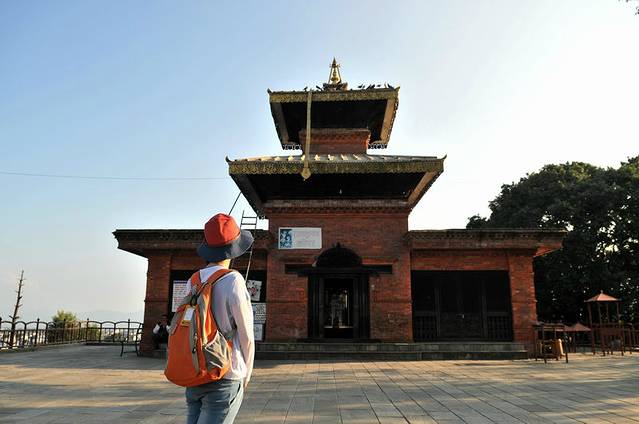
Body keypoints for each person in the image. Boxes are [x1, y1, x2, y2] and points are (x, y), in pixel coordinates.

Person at [184, 213, 255, 424]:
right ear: (234, 248)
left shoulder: (193, 280)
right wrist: (247, 372)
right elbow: (246, 335)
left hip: (196, 371)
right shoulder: (233, 280)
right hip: (226, 372)